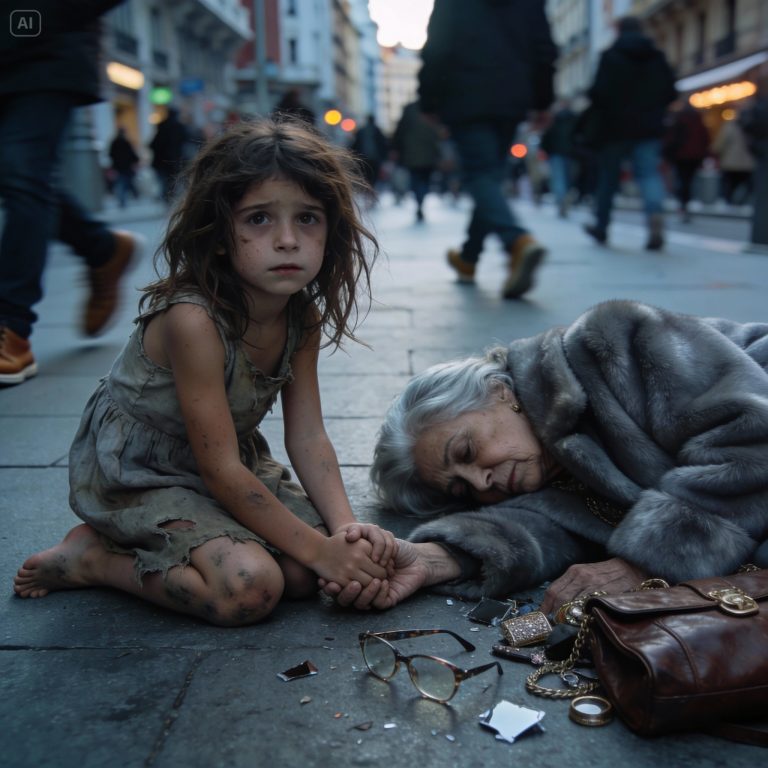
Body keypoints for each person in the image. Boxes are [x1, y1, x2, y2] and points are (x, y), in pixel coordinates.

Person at [13, 119, 396, 626]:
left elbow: (307, 434)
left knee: (304, 578)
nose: (287, 240)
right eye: (259, 219)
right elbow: (219, 470)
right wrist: (324, 552)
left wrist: (344, 532)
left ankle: (251, 549)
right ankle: (93, 560)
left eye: (307, 218)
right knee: (250, 590)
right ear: (218, 236)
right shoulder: (193, 320)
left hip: (225, 462)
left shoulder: (300, 313)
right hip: (143, 472)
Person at [323, 300, 768, 613]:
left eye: (466, 451)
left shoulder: (612, 340)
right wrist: (437, 558)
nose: (481, 483)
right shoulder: (545, 464)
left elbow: (752, 441)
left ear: (498, 392)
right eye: (460, 486)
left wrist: (642, 564)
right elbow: (549, 523)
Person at [0, 0, 140, 385]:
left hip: (42, 53)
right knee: (20, 175)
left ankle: (11, 326)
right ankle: (101, 248)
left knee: (22, 171)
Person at [419, 0, 557, 299]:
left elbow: (437, 47)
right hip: (512, 97)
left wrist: (428, 100)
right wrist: (543, 100)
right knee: (489, 176)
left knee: (480, 175)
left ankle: (516, 240)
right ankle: (469, 258)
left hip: (464, 95)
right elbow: (544, 48)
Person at [582, 16, 677, 250]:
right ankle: (654, 215)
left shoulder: (611, 57)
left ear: (618, 31)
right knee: (648, 174)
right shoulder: (657, 57)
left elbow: (598, 93)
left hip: (615, 128)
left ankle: (602, 226)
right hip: (648, 127)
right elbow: (670, 92)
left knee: (609, 179)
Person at [391, 100, 442, 222]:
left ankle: (419, 202)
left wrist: (396, 148)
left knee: (416, 180)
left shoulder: (409, 109)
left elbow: (400, 130)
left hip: (412, 153)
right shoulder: (434, 107)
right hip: (429, 153)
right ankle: (421, 201)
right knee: (425, 180)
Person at [662, 102, 710, 222]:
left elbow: (671, 138)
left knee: (681, 180)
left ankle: (682, 205)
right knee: (688, 181)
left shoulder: (678, 120)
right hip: (695, 156)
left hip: (681, 156)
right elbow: (705, 138)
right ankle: (685, 204)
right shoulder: (698, 121)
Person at [540, 101, 578, 217]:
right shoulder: (575, 119)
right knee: (568, 177)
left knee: (558, 178)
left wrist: (545, 149)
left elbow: (546, 136)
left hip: (556, 152)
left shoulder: (554, 119)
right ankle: (566, 196)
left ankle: (561, 199)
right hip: (572, 153)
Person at [712, 112, 755, 206]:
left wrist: (715, 151)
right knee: (747, 185)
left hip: (730, 162)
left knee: (729, 185)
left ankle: (728, 202)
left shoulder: (730, 126)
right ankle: (741, 202)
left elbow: (720, 143)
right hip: (748, 163)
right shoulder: (753, 126)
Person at [149, 106, 189, 203]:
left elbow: (154, 144)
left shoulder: (162, 126)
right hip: (175, 159)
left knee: (165, 181)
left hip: (161, 160)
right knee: (173, 180)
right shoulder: (179, 127)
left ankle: (167, 197)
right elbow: (186, 140)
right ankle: (170, 197)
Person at [351, 114, 389, 194]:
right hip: (375, 158)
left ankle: (368, 190)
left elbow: (355, 144)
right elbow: (383, 144)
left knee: (366, 175)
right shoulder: (377, 131)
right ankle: (371, 190)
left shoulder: (361, 131)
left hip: (363, 158)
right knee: (373, 176)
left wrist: (353, 155)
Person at [108, 127, 140, 208]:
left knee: (122, 183)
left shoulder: (114, 143)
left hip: (119, 167)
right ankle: (132, 195)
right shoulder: (126, 142)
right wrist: (136, 160)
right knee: (126, 182)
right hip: (126, 167)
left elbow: (110, 154)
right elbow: (132, 154)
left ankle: (124, 199)